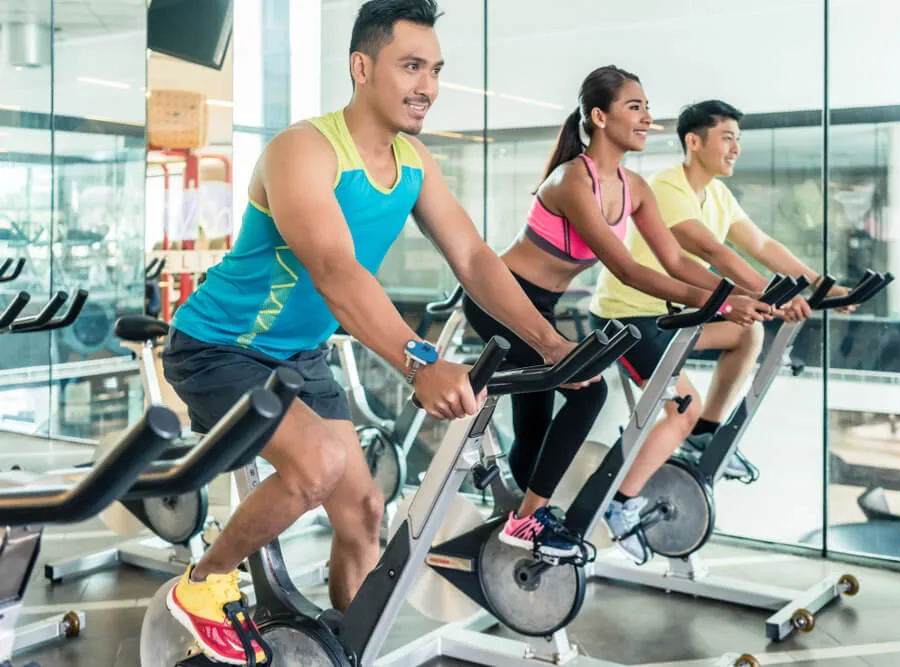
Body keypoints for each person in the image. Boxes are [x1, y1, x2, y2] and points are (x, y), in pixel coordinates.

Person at [158, 1, 592, 663]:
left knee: (364, 513)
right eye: (411, 65)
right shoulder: (302, 150)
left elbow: (475, 258)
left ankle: (341, 647)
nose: (428, 85)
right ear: (362, 67)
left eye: (436, 69)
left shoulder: (413, 163)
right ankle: (204, 581)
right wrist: (420, 363)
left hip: (298, 354)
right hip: (220, 347)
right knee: (318, 468)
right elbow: (334, 269)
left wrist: (549, 341)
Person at [461, 68, 773, 564]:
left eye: (648, 107)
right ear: (600, 117)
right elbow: (626, 270)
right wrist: (720, 304)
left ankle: (515, 519)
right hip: (497, 299)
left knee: (536, 431)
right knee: (590, 388)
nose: (647, 117)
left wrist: (736, 293)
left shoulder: (636, 187)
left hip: (539, 307)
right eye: (635, 107)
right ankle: (526, 520)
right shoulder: (571, 180)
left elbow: (676, 262)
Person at [589, 99, 856, 564]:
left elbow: (761, 245)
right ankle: (619, 502)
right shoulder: (668, 187)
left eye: (738, 140)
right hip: (628, 321)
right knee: (681, 409)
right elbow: (713, 250)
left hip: (672, 318)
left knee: (745, 334)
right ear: (694, 142)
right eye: (727, 138)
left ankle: (704, 433)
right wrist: (772, 295)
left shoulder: (716, 195)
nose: (735, 148)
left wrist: (820, 285)